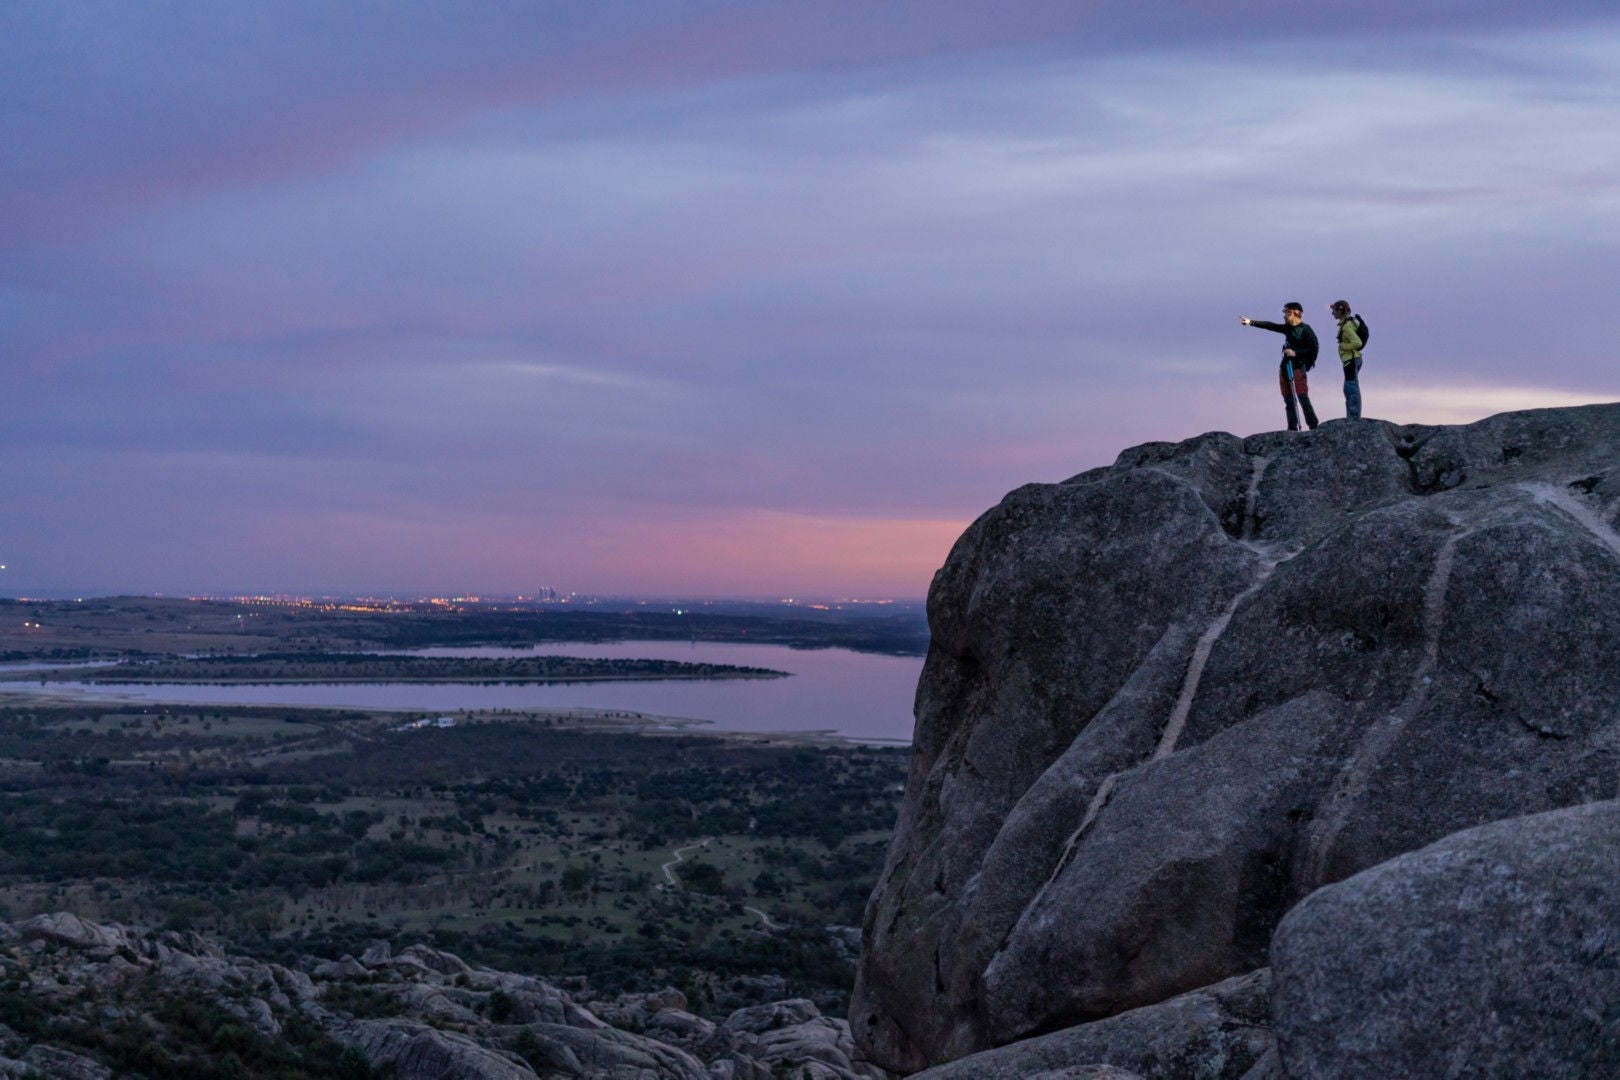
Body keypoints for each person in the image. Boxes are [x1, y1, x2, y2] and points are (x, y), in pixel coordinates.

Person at [1240, 302, 1319, 431]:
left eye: (1286, 312)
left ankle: (1313, 426)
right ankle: (1292, 429)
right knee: (1289, 400)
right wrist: (1250, 322)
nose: (1283, 316)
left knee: (1302, 397)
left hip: (1298, 367)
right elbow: (1270, 326)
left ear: (1293, 312)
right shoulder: (1287, 328)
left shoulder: (1306, 329)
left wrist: (1296, 354)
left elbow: (1313, 348)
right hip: (1285, 367)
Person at [1331, 299, 1364, 419]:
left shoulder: (1346, 326)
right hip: (1353, 359)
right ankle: (1352, 416)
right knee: (1348, 387)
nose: (1332, 313)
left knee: (1351, 388)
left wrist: (1343, 346)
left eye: (1334, 310)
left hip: (1350, 360)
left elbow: (1357, 343)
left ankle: (1354, 419)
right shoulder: (1347, 323)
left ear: (1340, 310)